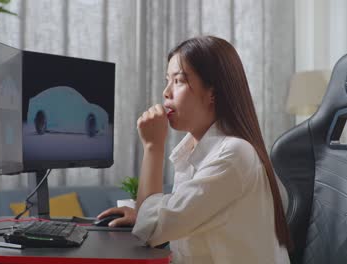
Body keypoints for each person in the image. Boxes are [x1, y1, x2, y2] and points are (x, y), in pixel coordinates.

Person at [98, 36, 292, 264]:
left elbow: (150, 229)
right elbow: (176, 217)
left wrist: (153, 147)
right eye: (167, 80)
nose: (166, 92)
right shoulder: (197, 150)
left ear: (213, 93)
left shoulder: (233, 155)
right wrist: (142, 215)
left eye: (178, 81)